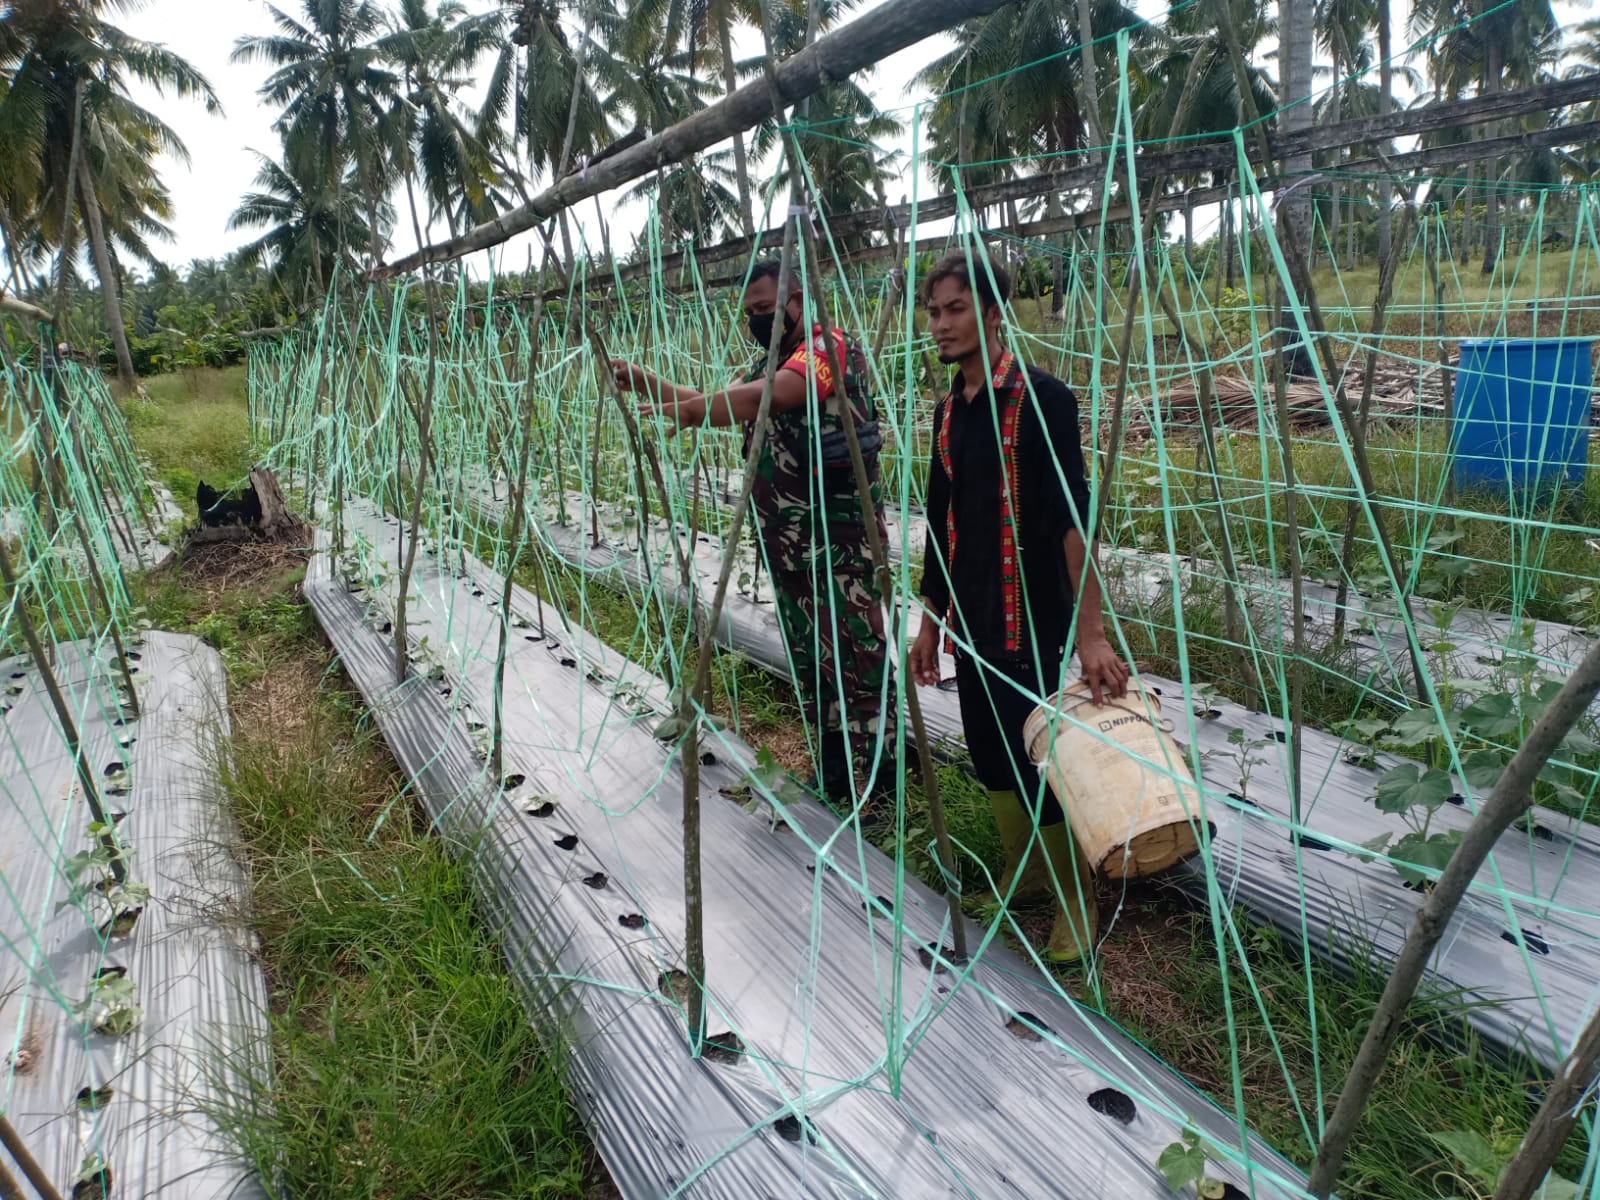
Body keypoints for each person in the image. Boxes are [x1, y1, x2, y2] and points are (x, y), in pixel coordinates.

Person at [909, 250, 1130, 964]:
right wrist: (928, 621)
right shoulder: (950, 412)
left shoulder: (1044, 399)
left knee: (1037, 748)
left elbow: (1074, 519)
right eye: (934, 313)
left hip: (1031, 607)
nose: (940, 325)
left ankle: (1077, 896)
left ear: (993, 313)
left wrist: (1091, 633)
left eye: (955, 310)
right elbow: (943, 522)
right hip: (971, 612)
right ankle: (1029, 869)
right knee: (987, 745)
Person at [610, 260, 892, 808]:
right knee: (813, 666)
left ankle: (882, 789)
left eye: (766, 309)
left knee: (858, 666)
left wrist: (692, 410)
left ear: (799, 297)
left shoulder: (827, 348)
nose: (757, 320)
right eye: (750, 313)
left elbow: (758, 399)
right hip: (790, 547)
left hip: (840, 548)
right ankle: (835, 779)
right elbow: (718, 396)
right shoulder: (776, 359)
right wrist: (649, 382)